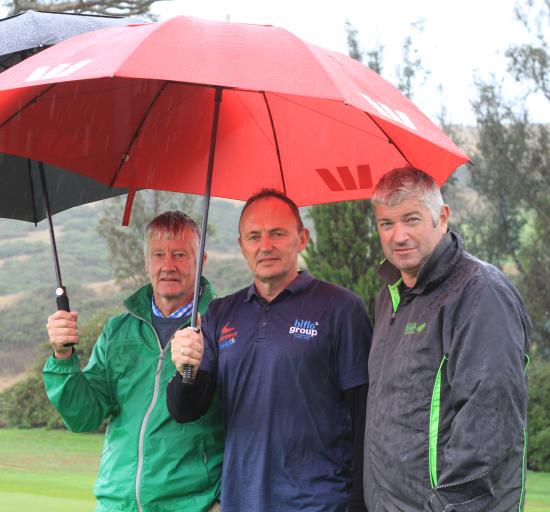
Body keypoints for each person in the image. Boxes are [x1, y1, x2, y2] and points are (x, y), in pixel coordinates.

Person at [167, 189, 372, 512]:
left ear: (301, 239)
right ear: (241, 246)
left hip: (320, 503)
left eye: (277, 233)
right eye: (254, 236)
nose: (265, 246)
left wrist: (360, 504)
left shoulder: (341, 308)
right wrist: (185, 369)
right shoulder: (221, 313)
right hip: (242, 501)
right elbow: (185, 410)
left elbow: (364, 416)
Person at [364, 168, 532, 512]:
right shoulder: (391, 296)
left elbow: (489, 430)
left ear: (441, 217)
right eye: (386, 224)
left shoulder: (479, 292)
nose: (399, 236)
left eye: (411, 219)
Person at [44, 211, 223, 512]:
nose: (168, 265)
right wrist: (63, 356)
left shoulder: (223, 327)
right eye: (158, 254)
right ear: (146, 261)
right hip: (117, 503)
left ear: (201, 260)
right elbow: (84, 416)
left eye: (180, 254)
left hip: (191, 505)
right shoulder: (118, 331)